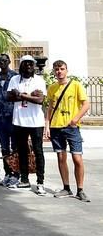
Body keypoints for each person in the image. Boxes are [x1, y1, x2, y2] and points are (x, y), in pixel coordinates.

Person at [45, 60, 91, 202]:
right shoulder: (52, 88)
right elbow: (50, 108)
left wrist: (75, 119)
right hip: (56, 126)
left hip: (72, 127)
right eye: (57, 69)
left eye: (62, 69)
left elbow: (86, 104)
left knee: (77, 158)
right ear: (54, 71)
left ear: (66, 70)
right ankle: (66, 187)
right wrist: (47, 125)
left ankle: (80, 189)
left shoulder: (75, 85)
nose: (59, 71)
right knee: (61, 157)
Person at [6, 55, 47, 195]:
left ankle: (40, 182)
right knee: (22, 151)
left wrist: (22, 95)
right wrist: (30, 96)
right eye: (25, 64)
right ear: (21, 66)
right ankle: (24, 179)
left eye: (31, 64)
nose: (28, 66)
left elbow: (40, 100)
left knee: (38, 151)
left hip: (36, 122)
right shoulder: (14, 80)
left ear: (34, 66)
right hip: (19, 121)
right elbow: (9, 97)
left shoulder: (39, 80)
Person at [0, 54, 19, 187]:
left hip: (12, 115)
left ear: (9, 61)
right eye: (0, 61)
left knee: (15, 146)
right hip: (0, 116)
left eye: (4, 60)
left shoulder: (15, 77)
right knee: (4, 147)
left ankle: (16, 174)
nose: (2, 62)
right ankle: (8, 173)